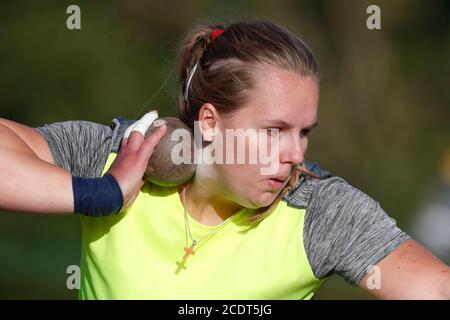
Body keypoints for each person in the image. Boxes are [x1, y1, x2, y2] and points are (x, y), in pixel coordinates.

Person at [0, 19, 449, 300]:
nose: (296, 154)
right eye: (274, 131)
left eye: (304, 132)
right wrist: (103, 192)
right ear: (210, 123)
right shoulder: (122, 158)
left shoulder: (321, 214)